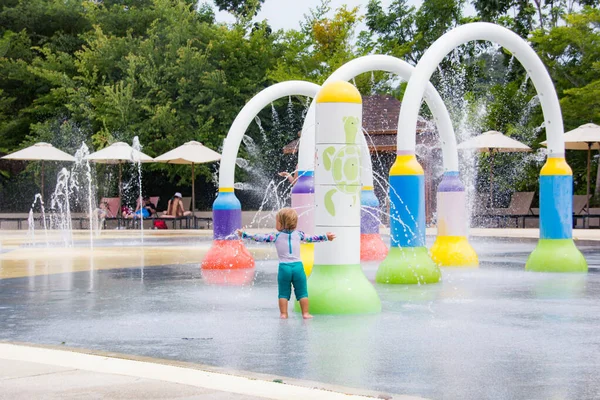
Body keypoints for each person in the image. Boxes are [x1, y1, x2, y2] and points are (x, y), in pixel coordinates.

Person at [236, 208, 335, 320]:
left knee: (283, 292)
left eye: (277, 221)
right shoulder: (299, 234)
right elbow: (312, 238)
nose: (276, 223)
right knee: (302, 292)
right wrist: (326, 237)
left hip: (284, 268)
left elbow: (259, 238)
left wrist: (244, 234)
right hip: (298, 267)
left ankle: (283, 314)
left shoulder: (275, 236)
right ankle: (305, 313)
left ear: (282, 223)